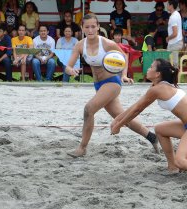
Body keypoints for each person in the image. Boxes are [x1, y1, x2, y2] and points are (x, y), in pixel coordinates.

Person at [111, 58, 187, 186]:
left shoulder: (158, 89)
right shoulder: (158, 86)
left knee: (181, 160)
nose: (148, 69)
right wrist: (118, 118)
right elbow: (136, 105)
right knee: (160, 129)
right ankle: (172, 167)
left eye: (151, 67)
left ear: (158, 74)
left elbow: (137, 110)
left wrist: (119, 125)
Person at [65, 14, 159, 157]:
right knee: (123, 118)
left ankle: (82, 148)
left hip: (111, 83)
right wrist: (71, 70)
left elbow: (124, 57)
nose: (90, 30)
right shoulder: (80, 45)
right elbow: (68, 66)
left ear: (98, 27)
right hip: (98, 85)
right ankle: (152, 137)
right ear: (82, 28)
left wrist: (124, 75)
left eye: (93, 26)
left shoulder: (107, 43)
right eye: (87, 27)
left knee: (88, 110)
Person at [166, 0, 183, 68]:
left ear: (171, 6)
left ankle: (175, 78)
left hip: (174, 43)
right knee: (169, 62)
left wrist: (168, 38)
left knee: (174, 64)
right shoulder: (177, 14)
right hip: (176, 42)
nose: (166, 6)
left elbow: (175, 33)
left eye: (167, 4)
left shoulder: (173, 17)